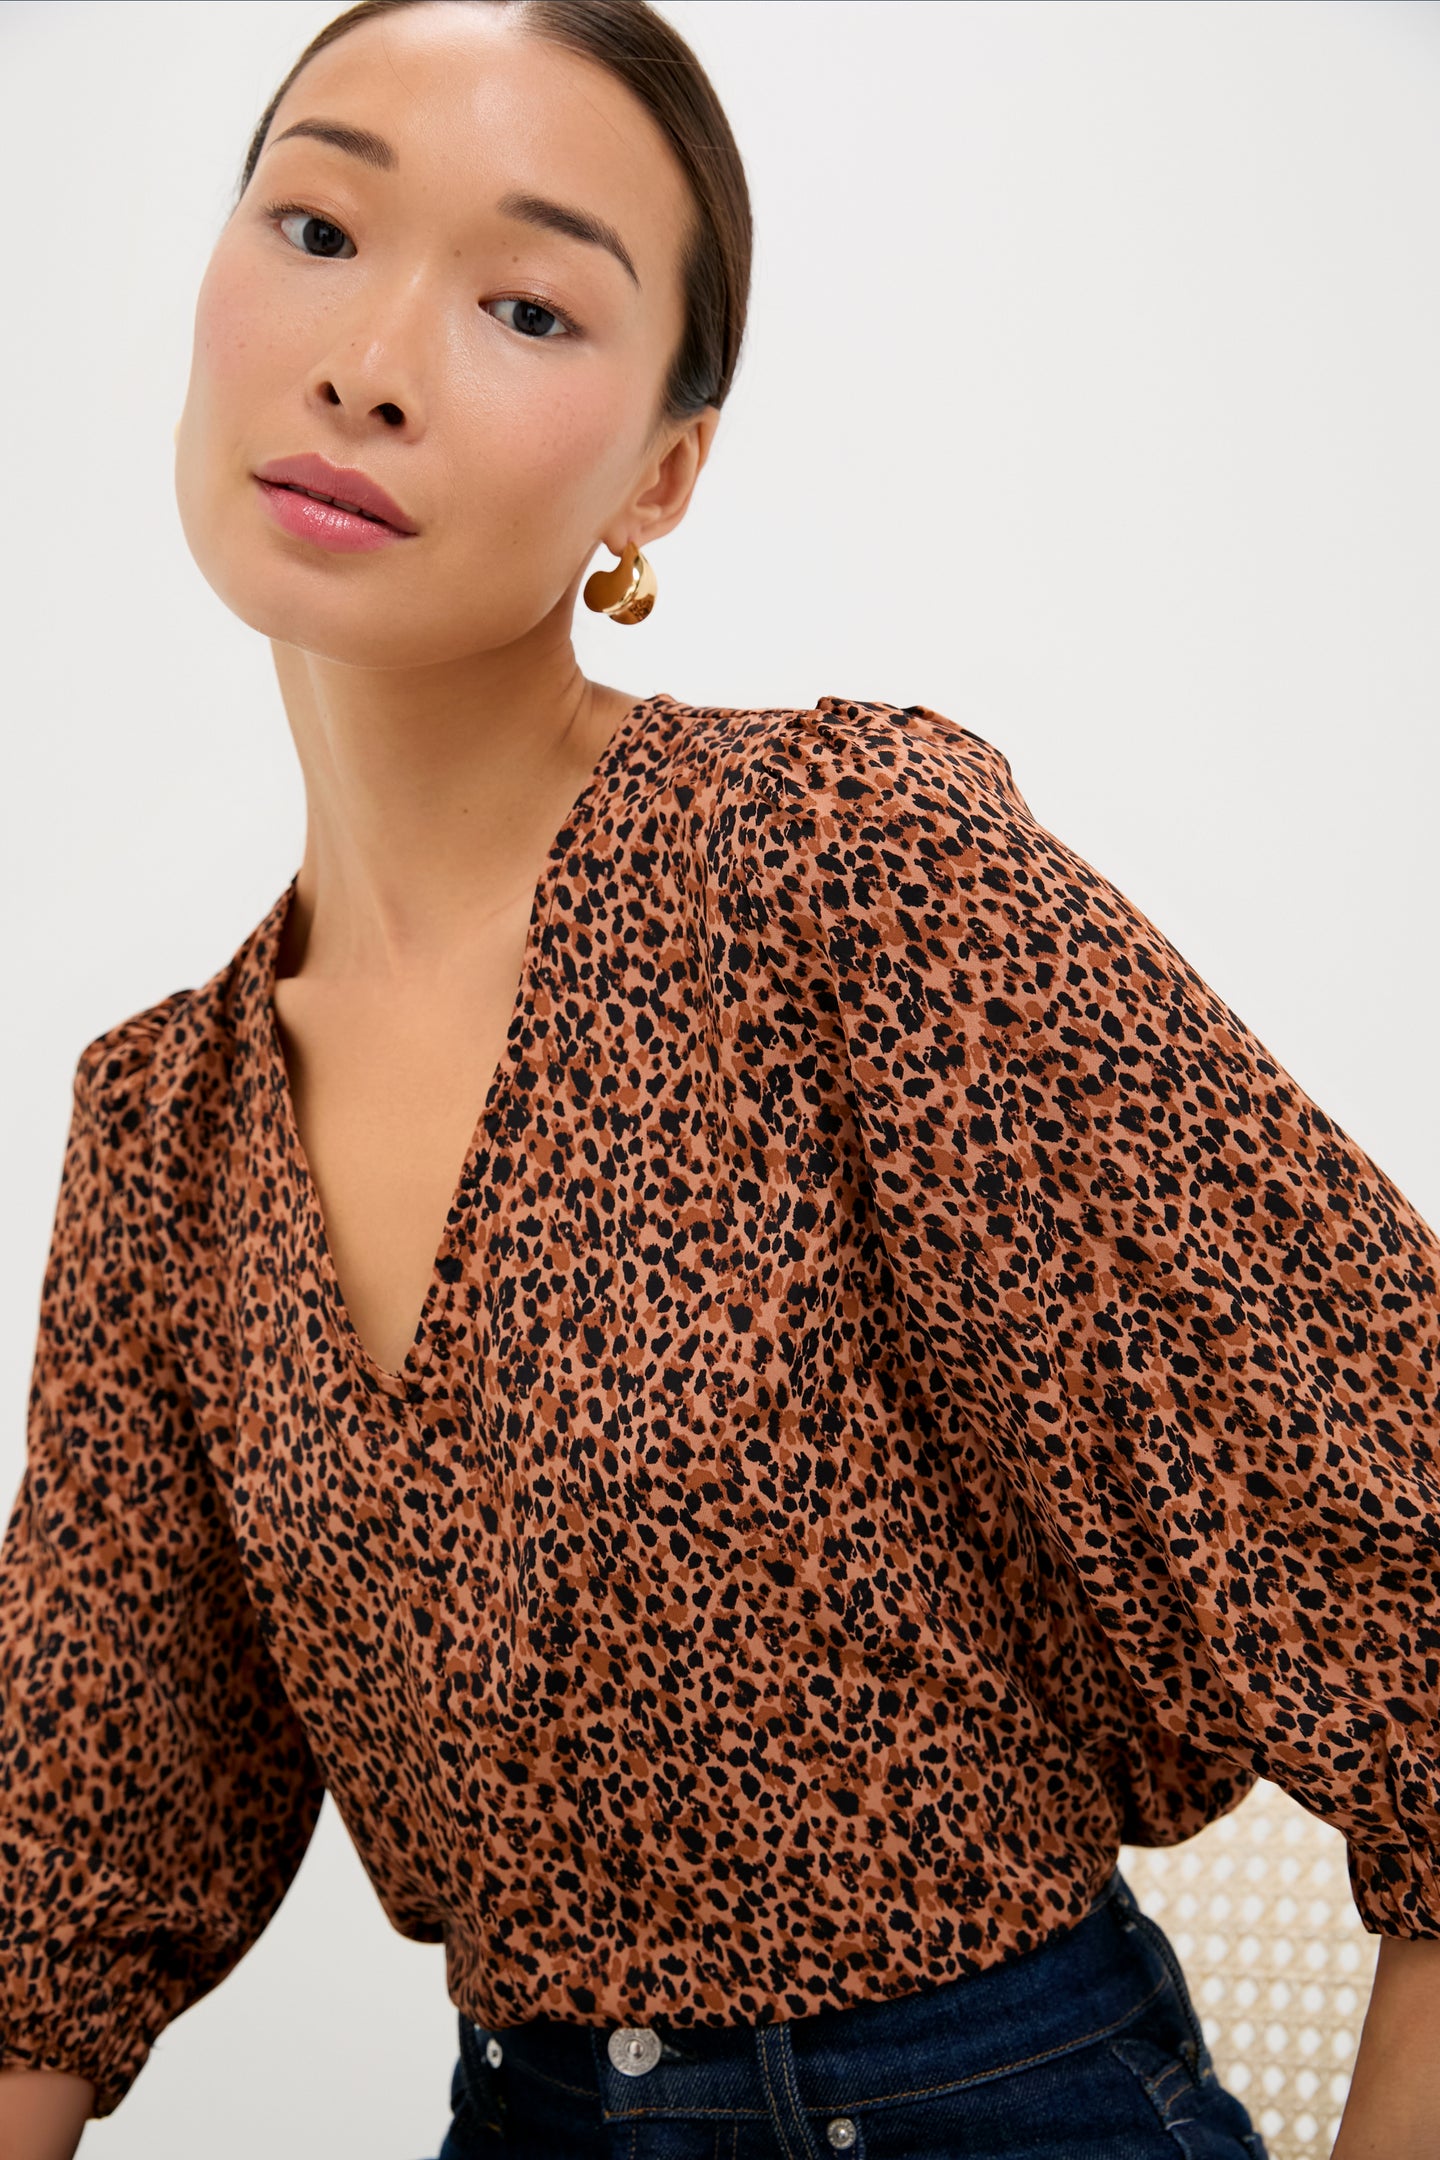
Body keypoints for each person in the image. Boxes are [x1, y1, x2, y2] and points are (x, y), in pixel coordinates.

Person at [2, 2, 1437, 2155]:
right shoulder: (169, 1134)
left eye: (523, 302)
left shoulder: (843, 871)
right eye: (314, 222)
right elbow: (69, 1873)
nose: (370, 357)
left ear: (659, 472)